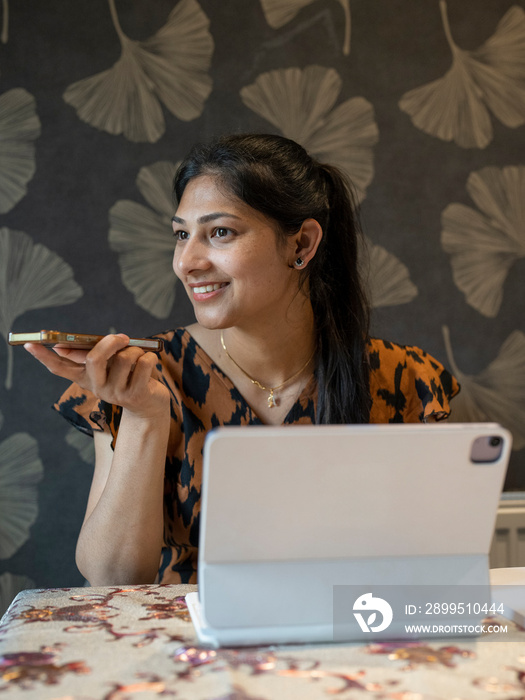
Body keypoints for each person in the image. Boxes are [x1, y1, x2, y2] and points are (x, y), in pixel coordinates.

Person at [25, 133, 459, 586]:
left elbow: (437, 572)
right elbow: (112, 577)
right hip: (186, 649)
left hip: (348, 641)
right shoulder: (143, 376)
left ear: (302, 245)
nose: (186, 262)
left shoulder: (406, 381)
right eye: (181, 235)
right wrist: (143, 417)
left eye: (220, 232)